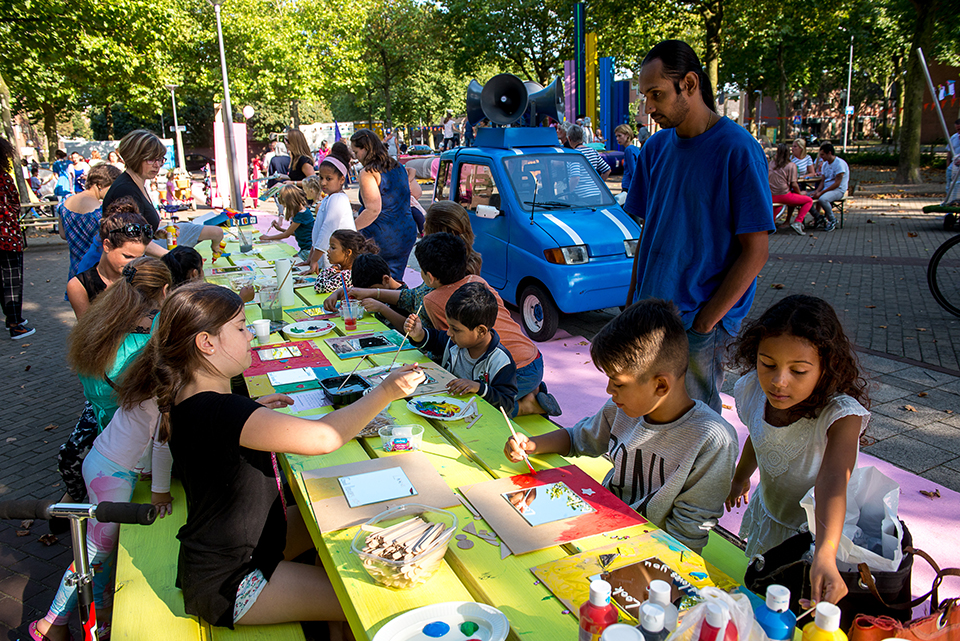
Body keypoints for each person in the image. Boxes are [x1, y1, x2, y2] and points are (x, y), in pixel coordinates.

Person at [116, 280, 425, 628]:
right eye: (241, 327)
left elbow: (218, 432)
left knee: (350, 515)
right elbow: (325, 437)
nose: (249, 336)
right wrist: (386, 390)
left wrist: (251, 410)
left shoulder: (195, 400)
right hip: (232, 582)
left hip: (234, 549)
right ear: (207, 343)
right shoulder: (225, 413)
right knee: (371, 599)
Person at [504, 299, 738, 553]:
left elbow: (687, 536)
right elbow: (577, 439)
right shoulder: (621, 409)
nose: (609, 391)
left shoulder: (712, 440)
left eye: (618, 383)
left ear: (661, 385)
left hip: (650, 553)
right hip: (600, 523)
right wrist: (532, 444)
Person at [624, 40, 774, 414]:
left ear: (689, 84)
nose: (649, 108)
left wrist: (707, 322)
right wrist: (630, 305)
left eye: (656, 94)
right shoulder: (655, 148)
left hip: (697, 324)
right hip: (649, 315)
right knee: (647, 411)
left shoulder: (737, 149)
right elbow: (649, 233)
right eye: (645, 96)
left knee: (697, 422)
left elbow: (756, 252)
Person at [33, 256, 173, 641]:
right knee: (96, 551)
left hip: (108, 444)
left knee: (100, 550)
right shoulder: (153, 343)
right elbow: (160, 436)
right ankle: (53, 623)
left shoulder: (100, 325)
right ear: (163, 292)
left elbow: (102, 399)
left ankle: (93, 616)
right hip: (116, 463)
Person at [725, 295, 870, 605]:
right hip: (772, 512)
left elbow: (833, 482)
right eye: (767, 364)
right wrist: (741, 477)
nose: (779, 382)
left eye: (799, 371)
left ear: (826, 368)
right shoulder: (753, 390)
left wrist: (825, 554)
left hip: (819, 532)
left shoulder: (841, 416)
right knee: (765, 589)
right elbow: (758, 433)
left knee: (802, 602)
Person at [415, 233, 560, 417]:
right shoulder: (477, 281)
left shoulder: (432, 300)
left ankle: (528, 406)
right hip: (534, 360)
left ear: (429, 276)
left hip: (513, 371)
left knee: (478, 407)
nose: (451, 332)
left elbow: (447, 347)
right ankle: (532, 390)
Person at [340, 201, 482, 332]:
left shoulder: (443, 284)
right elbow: (413, 296)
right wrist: (369, 292)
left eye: (425, 230)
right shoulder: (460, 267)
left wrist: (382, 307)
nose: (423, 234)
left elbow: (420, 329)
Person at [405, 282, 518, 414]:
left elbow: (507, 403)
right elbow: (435, 339)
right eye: (449, 326)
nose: (449, 333)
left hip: (480, 419)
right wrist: (419, 334)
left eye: (455, 329)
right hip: (448, 409)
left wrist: (479, 388)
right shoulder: (454, 342)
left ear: (481, 331)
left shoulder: (501, 361)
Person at [351, 128, 417, 281]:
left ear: (366, 149)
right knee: (395, 281)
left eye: (356, 152)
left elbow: (373, 209)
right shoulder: (397, 166)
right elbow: (414, 194)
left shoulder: (368, 172)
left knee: (377, 285)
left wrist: (350, 229)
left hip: (382, 236)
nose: (355, 157)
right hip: (405, 232)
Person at [66, 202, 151, 318]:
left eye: (140, 258)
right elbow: (87, 332)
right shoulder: (79, 287)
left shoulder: (143, 278)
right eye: (127, 256)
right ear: (107, 246)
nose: (134, 264)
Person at [59, 163, 123, 281]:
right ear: (99, 185)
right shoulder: (100, 212)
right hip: (96, 273)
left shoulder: (64, 203)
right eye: (111, 187)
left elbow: (63, 234)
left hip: (75, 271)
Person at [0, 137, 35, 339]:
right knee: (12, 279)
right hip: (7, 236)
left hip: (7, 235)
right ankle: (15, 323)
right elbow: (15, 202)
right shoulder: (4, 177)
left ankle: (10, 317)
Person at [101, 129, 167, 234]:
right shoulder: (126, 190)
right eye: (151, 159)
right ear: (135, 157)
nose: (157, 165)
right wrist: (166, 251)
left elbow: (139, 232)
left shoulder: (137, 184)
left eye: (160, 159)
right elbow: (128, 238)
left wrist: (155, 235)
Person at [302, 145, 355, 273]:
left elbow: (327, 230)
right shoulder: (328, 199)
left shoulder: (338, 199)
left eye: (329, 179)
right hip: (326, 257)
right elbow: (317, 232)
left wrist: (314, 260)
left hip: (338, 260)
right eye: (321, 177)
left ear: (342, 179)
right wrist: (311, 258)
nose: (323, 182)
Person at [259, 185, 314, 261]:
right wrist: (280, 229)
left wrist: (268, 237)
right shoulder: (304, 211)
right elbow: (296, 233)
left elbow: (286, 235)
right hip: (305, 249)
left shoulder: (301, 215)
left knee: (289, 263)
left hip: (308, 250)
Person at [769, 143, 814, 236]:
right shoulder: (791, 165)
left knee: (778, 206)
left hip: (771, 195)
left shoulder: (771, 163)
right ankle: (798, 221)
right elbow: (794, 183)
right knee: (809, 200)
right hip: (784, 195)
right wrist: (800, 193)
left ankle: (771, 225)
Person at [313, 229, 378, 294]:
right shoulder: (343, 271)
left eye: (333, 248)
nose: (328, 251)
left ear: (348, 252)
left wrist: (328, 271)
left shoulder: (347, 275)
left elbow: (319, 287)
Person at [809, 142, 848, 232]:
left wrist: (821, 193)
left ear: (829, 153)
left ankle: (832, 219)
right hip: (826, 189)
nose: (821, 157)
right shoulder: (825, 164)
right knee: (806, 198)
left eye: (823, 154)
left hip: (838, 190)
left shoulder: (839, 164)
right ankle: (818, 217)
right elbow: (823, 181)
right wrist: (817, 191)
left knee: (823, 199)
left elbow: (837, 183)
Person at [615, 124, 641, 198]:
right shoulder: (635, 149)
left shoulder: (628, 150)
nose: (617, 139)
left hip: (628, 185)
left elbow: (632, 170)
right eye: (616, 136)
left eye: (619, 136)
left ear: (627, 135)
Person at [947, 119, 960, 202]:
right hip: (953, 168)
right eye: (957, 130)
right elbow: (949, 154)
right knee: (949, 188)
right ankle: (949, 209)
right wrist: (948, 167)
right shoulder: (954, 137)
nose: (958, 132)